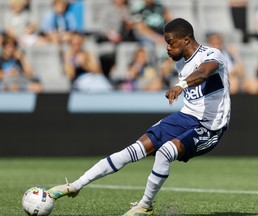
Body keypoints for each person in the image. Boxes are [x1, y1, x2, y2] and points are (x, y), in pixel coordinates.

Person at [48, 18, 231, 215]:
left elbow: (204, 73)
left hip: (210, 126)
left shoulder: (212, 55)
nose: (167, 48)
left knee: (165, 152)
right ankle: (76, 185)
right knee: (133, 150)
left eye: (171, 43)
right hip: (186, 116)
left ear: (186, 40)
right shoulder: (181, 63)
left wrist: (181, 85)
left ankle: (144, 206)